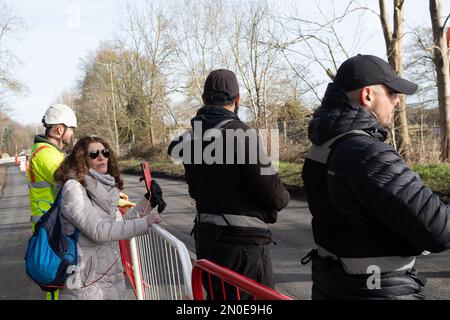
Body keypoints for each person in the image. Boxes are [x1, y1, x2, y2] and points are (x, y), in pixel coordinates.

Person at [301, 54, 450, 300]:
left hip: (333, 287)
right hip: (378, 291)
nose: (397, 101)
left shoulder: (322, 147)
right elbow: (440, 229)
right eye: (391, 93)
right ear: (368, 96)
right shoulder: (367, 153)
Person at [168, 69, 290, 299]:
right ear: (238, 99)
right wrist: (283, 198)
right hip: (244, 248)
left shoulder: (190, 138)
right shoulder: (243, 135)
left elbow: (176, 152)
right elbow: (275, 195)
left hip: (207, 241)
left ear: (204, 99)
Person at [53, 136, 166, 300]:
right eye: (94, 154)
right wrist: (144, 223)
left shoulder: (104, 189)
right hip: (85, 282)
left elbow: (120, 225)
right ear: (82, 159)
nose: (101, 157)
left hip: (108, 276)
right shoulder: (73, 188)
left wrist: (148, 201)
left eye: (105, 152)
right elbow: (99, 231)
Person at [27, 104, 77, 232]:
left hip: (49, 226)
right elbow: (76, 184)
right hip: (50, 230)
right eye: (71, 129)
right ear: (60, 129)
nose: (72, 133)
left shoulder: (47, 152)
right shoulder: (47, 155)